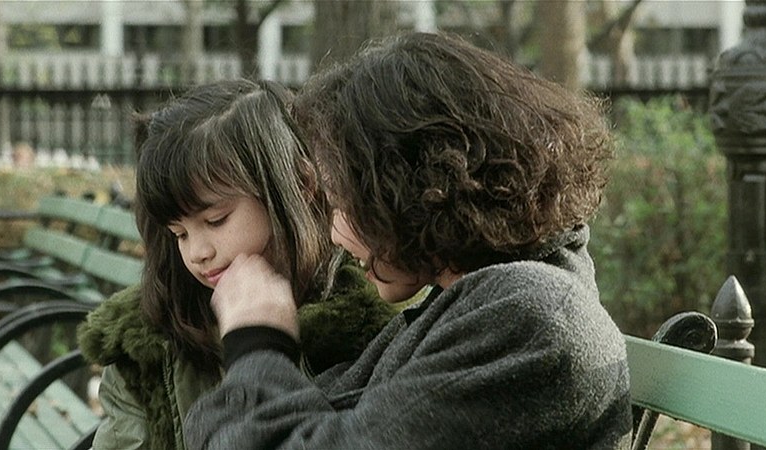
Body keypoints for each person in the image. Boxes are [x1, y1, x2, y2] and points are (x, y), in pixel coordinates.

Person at [185, 32, 632, 449]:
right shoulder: (480, 305)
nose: (336, 233)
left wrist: (257, 343)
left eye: (344, 205)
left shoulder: (529, 316)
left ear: (415, 191)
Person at [77, 79, 397, 450]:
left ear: (301, 184)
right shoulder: (152, 342)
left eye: (216, 221)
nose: (197, 252)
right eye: (180, 234)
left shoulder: (365, 336)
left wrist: (260, 347)